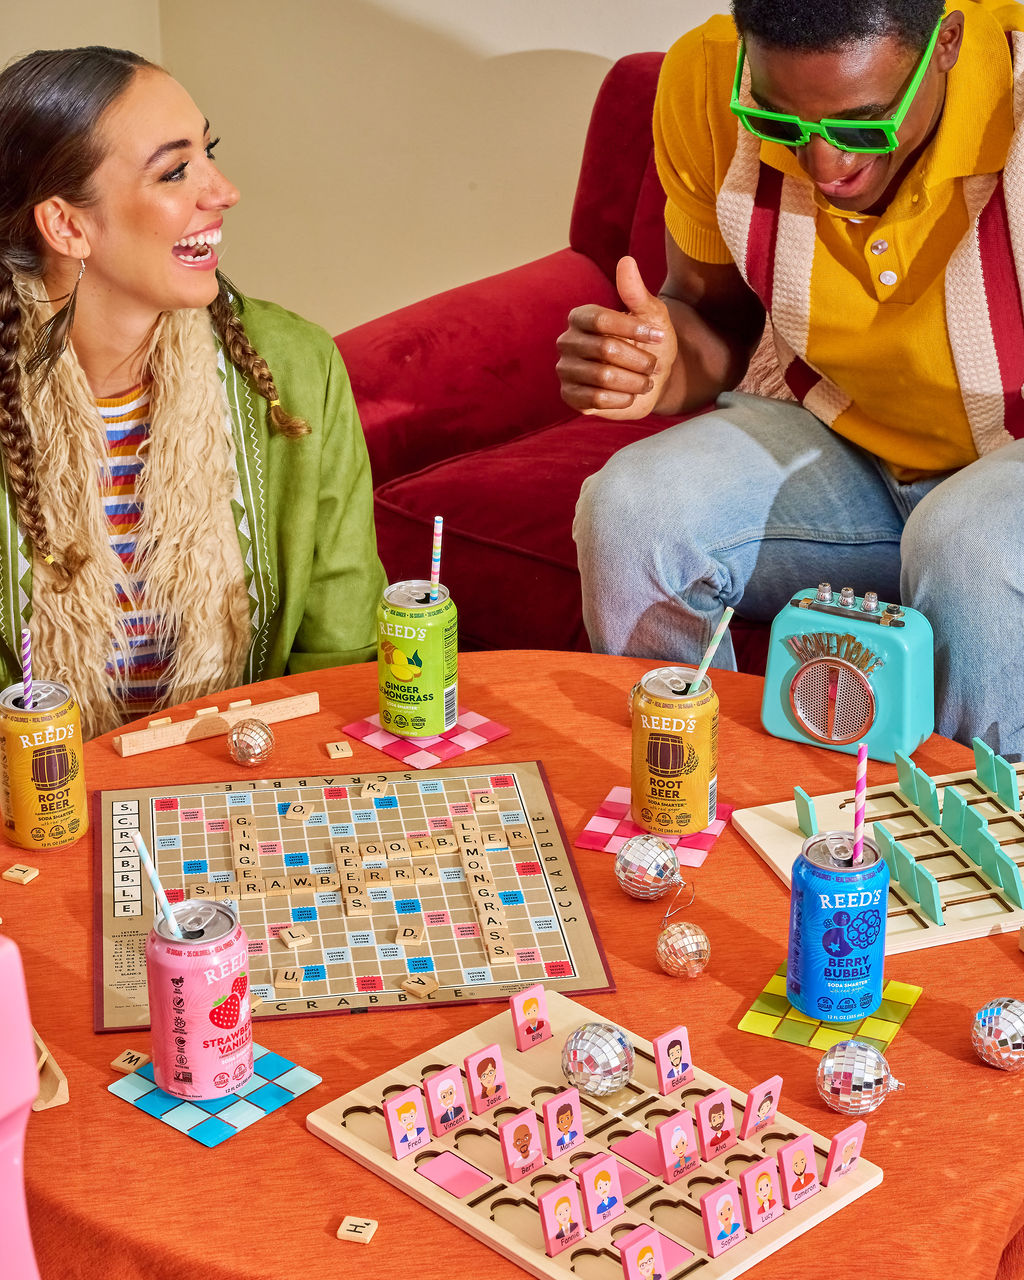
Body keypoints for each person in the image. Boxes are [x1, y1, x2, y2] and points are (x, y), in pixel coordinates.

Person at [559, 0, 1024, 761]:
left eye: (863, 126)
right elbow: (712, 319)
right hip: (845, 445)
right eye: (779, 124)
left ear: (946, 42)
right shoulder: (710, 75)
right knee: (632, 512)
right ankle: (692, 807)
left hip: (1004, 481)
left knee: (967, 543)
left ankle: (982, 855)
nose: (824, 168)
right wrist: (657, 362)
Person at [0, 46, 385, 739]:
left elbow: (342, 664)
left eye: (209, 152)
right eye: (175, 170)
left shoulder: (297, 371)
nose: (224, 190)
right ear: (66, 225)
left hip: (246, 792)